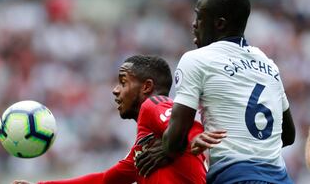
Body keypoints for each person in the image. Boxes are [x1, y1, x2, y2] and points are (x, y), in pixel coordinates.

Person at [135, 0, 296, 184]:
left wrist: (166, 145)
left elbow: (174, 143)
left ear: (219, 24)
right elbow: (288, 135)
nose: (194, 24)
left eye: (200, 17)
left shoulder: (197, 60)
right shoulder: (268, 64)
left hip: (235, 178)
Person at [13, 55, 207, 184]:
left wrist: (182, 142)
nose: (115, 90)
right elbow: (104, 180)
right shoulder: (142, 152)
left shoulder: (154, 104)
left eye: (123, 82)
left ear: (146, 87)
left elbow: (185, 127)